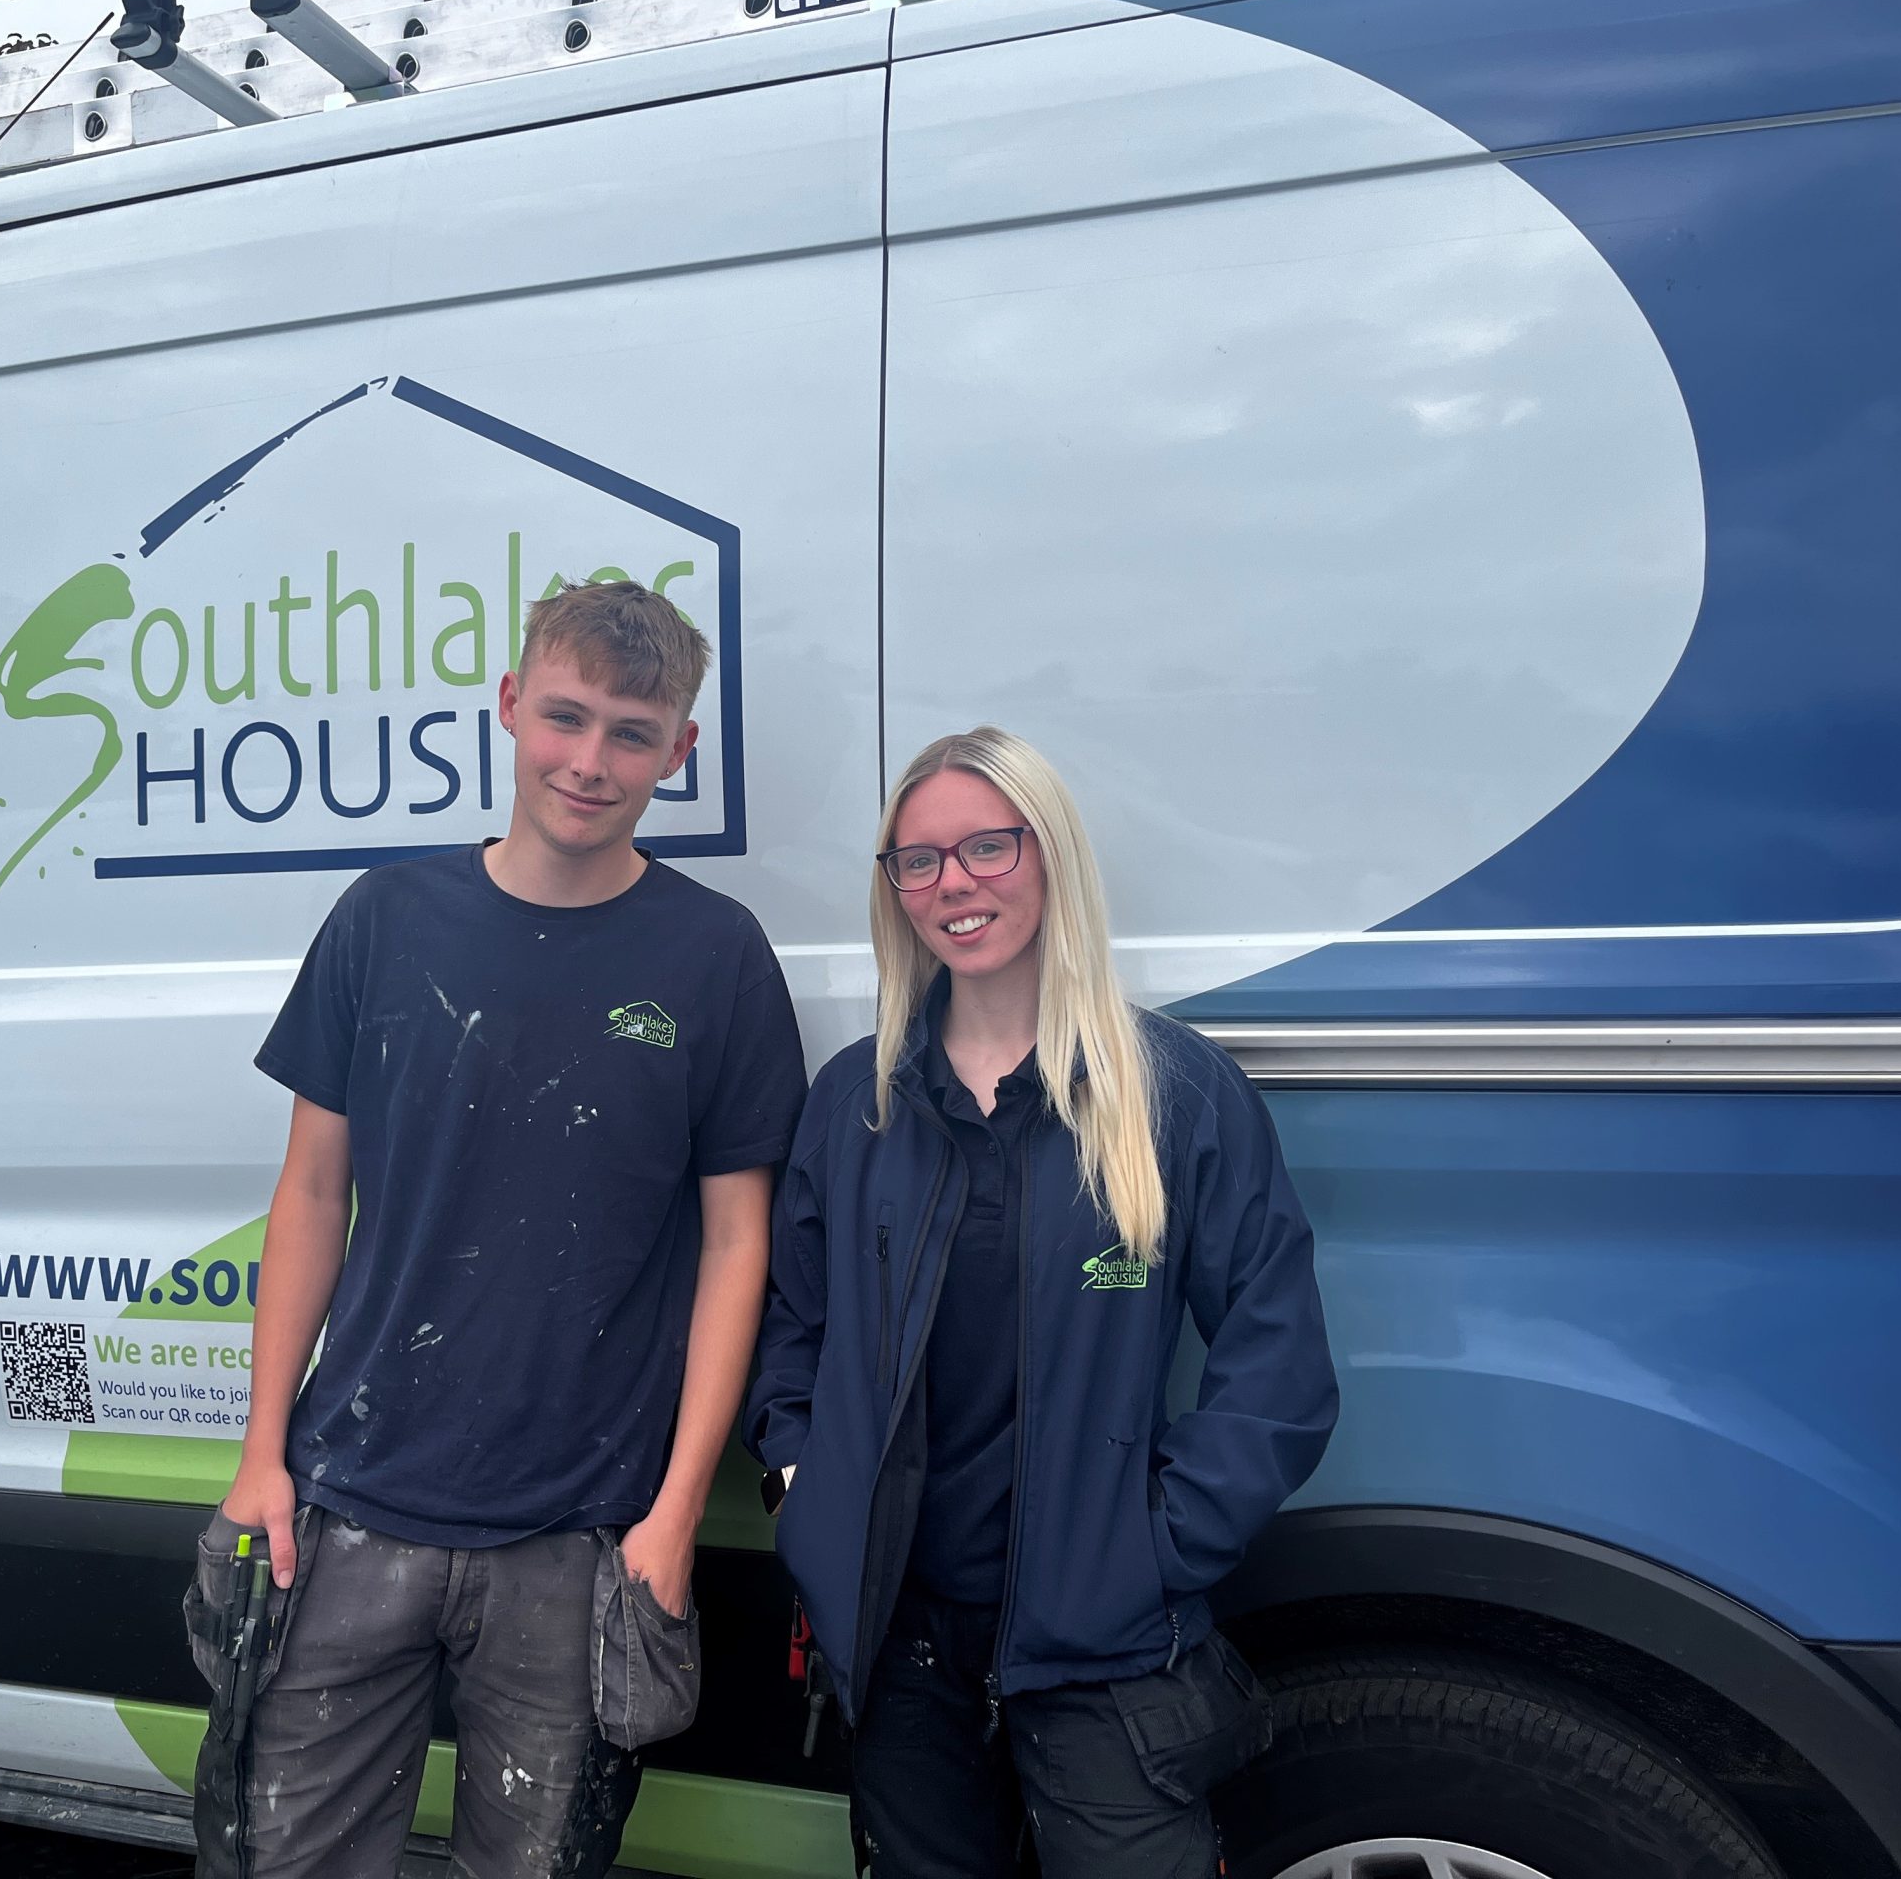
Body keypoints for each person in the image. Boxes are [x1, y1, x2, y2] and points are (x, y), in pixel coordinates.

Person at [210, 581, 807, 1877]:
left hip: (581, 1535)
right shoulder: (384, 920)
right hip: (350, 1498)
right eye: (565, 717)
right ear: (509, 706)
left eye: (631, 734)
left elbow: (737, 1249)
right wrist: (262, 1455)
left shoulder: (716, 957)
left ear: (678, 750)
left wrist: (671, 1516)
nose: (589, 762)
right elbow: (310, 1193)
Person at [746, 726, 1338, 1879]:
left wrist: (1153, 1550)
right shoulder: (855, 1104)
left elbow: (1278, 1367)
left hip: (1102, 1654)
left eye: (987, 846)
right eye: (917, 860)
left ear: (1049, 853)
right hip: (900, 1650)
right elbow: (791, 1334)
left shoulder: (1174, 1093)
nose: (952, 883)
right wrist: (801, 1492)